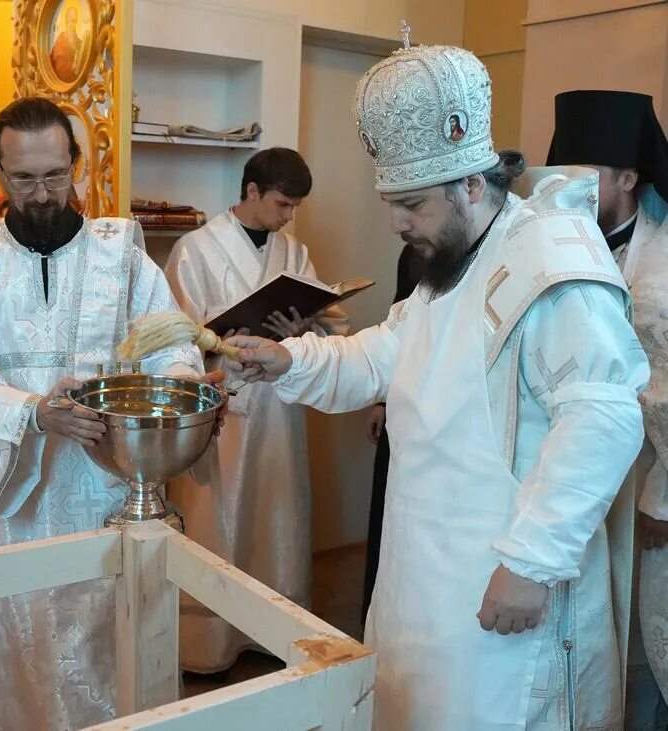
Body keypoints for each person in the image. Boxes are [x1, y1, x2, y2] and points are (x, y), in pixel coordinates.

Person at [226, 44, 649, 730]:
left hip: (501, 585)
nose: (397, 222)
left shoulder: (554, 264)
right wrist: (290, 359)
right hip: (417, 574)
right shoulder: (446, 256)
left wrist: (532, 563)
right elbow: (383, 354)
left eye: (411, 204)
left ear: (472, 186)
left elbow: (603, 418)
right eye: (391, 202)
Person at [0, 96, 207, 729]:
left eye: (54, 175)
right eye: (23, 179)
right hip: (15, 499)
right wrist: (32, 414)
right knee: (21, 635)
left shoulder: (121, 255)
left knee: (107, 639)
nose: (42, 194)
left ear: (77, 166)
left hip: (107, 489)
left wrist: (182, 392)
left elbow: (171, 344)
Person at [164, 147, 349, 674]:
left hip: (279, 407)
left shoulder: (294, 252)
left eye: (294, 208)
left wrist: (302, 328)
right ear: (250, 193)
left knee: (276, 511)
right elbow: (172, 338)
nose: (289, 217)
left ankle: (272, 632)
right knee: (217, 518)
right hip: (223, 399)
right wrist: (219, 341)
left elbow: (329, 320)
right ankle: (209, 642)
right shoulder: (194, 249)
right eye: (282, 204)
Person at [548, 88, 668, 730]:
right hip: (573, 472)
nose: (565, 187)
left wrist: (666, 493)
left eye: (582, 176)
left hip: (649, 478)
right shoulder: (558, 245)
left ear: (626, 177)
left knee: (643, 630)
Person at [362, 242, 423, 620]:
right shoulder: (413, 253)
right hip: (401, 403)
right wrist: (382, 400)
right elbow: (395, 331)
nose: (399, 224)